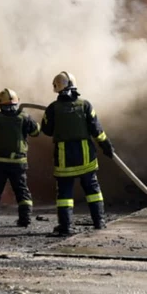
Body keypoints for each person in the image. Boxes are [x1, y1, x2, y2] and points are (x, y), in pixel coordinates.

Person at [41, 71, 114, 236]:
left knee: (65, 193)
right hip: (85, 155)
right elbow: (97, 130)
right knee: (92, 189)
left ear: (57, 88)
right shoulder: (85, 105)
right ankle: (99, 223)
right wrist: (106, 146)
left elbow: (46, 130)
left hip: (64, 157)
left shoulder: (52, 108)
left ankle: (65, 227)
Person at [0, 88, 41, 229]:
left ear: (0, 103)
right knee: (21, 192)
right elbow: (36, 132)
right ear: (16, 102)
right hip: (18, 163)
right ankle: (25, 220)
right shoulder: (24, 118)